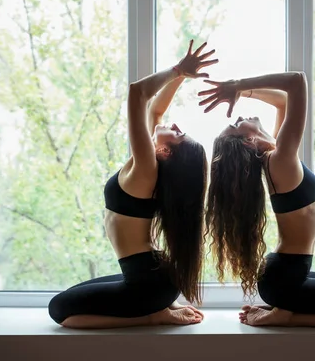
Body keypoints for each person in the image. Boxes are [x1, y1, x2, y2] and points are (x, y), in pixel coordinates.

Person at [200, 72, 315, 328]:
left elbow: (284, 103)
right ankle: (286, 314)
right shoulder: (280, 160)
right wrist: (239, 85)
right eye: (236, 125)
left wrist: (242, 92)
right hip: (286, 279)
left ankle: (283, 306)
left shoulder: (275, 156)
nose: (239, 117)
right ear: (247, 141)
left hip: (288, 274)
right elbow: (297, 82)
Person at [48, 40, 218, 329]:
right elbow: (154, 113)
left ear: (168, 154)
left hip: (148, 286)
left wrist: (177, 69)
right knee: (70, 298)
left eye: (178, 136)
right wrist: (181, 79)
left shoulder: (146, 169)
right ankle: (160, 305)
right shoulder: (151, 164)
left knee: (60, 310)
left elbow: (137, 94)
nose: (175, 127)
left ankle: (154, 314)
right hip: (150, 278)